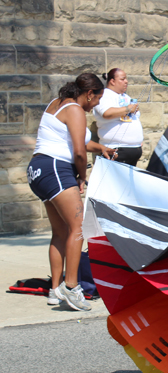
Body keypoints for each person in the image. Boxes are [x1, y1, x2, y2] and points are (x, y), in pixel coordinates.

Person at [26, 73, 115, 311]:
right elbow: (78, 152)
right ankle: (72, 286)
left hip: (38, 170)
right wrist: (82, 176)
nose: (96, 104)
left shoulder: (57, 103)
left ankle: (55, 290)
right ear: (89, 94)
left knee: (61, 232)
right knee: (78, 228)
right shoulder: (75, 109)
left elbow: (80, 142)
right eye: (97, 99)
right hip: (56, 168)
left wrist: (101, 148)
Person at [93, 68, 144, 166]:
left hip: (134, 149)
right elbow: (106, 113)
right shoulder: (104, 95)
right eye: (122, 79)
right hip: (116, 149)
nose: (126, 81)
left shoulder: (126, 97)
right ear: (112, 81)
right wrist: (127, 109)